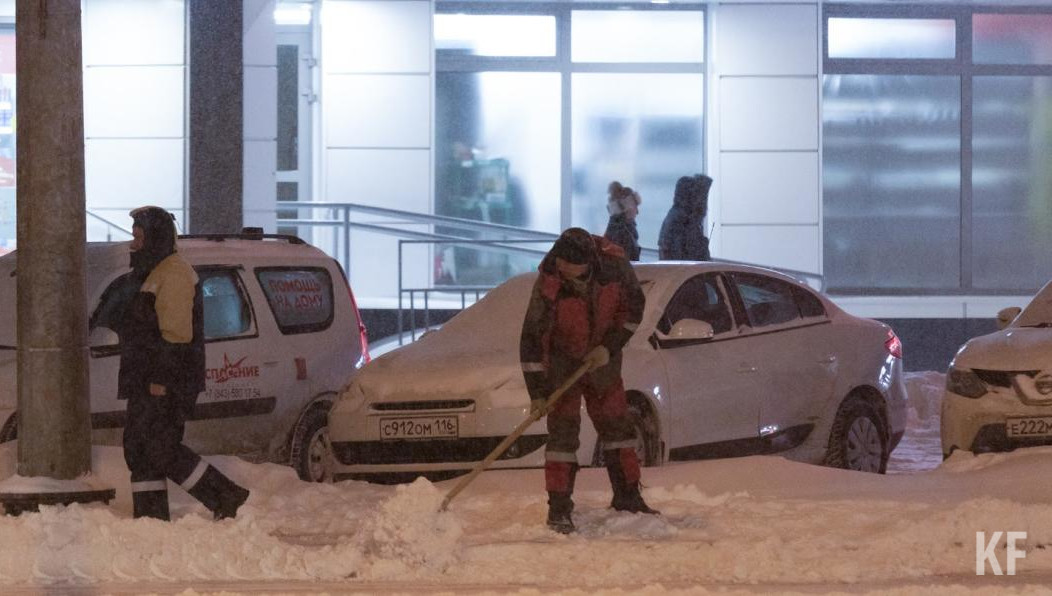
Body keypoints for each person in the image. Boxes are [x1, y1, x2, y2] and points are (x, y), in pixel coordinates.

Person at [519, 227, 658, 534]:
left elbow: (633, 308)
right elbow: (531, 338)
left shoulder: (615, 269)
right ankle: (559, 508)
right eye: (562, 263)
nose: (564, 269)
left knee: (618, 427)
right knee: (562, 436)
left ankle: (628, 497)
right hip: (561, 363)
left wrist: (609, 347)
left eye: (571, 265)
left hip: (602, 359)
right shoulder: (549, 282)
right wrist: (538, 393)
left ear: (588, 263)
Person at [119, 206, 249, 521]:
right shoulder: (154, 271)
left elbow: (176, 335)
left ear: (155, 238)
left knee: (160, 448)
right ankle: (150, 520)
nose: (132, 243)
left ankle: (226, 496)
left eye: (138, 237)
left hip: (164, 381)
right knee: (140, 448)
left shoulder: (172, 273)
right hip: (146, 379)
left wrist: (161, 379)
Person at [658, 174, 713, 261]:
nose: (704, 202)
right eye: (702, 197)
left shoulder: (680, 216)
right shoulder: (682, 219)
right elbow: (683, 255)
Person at [603, 181, 641, 262]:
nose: (637, 212)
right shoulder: (624, 235)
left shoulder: (614, 229)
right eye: (635, 207)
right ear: (628, 209)